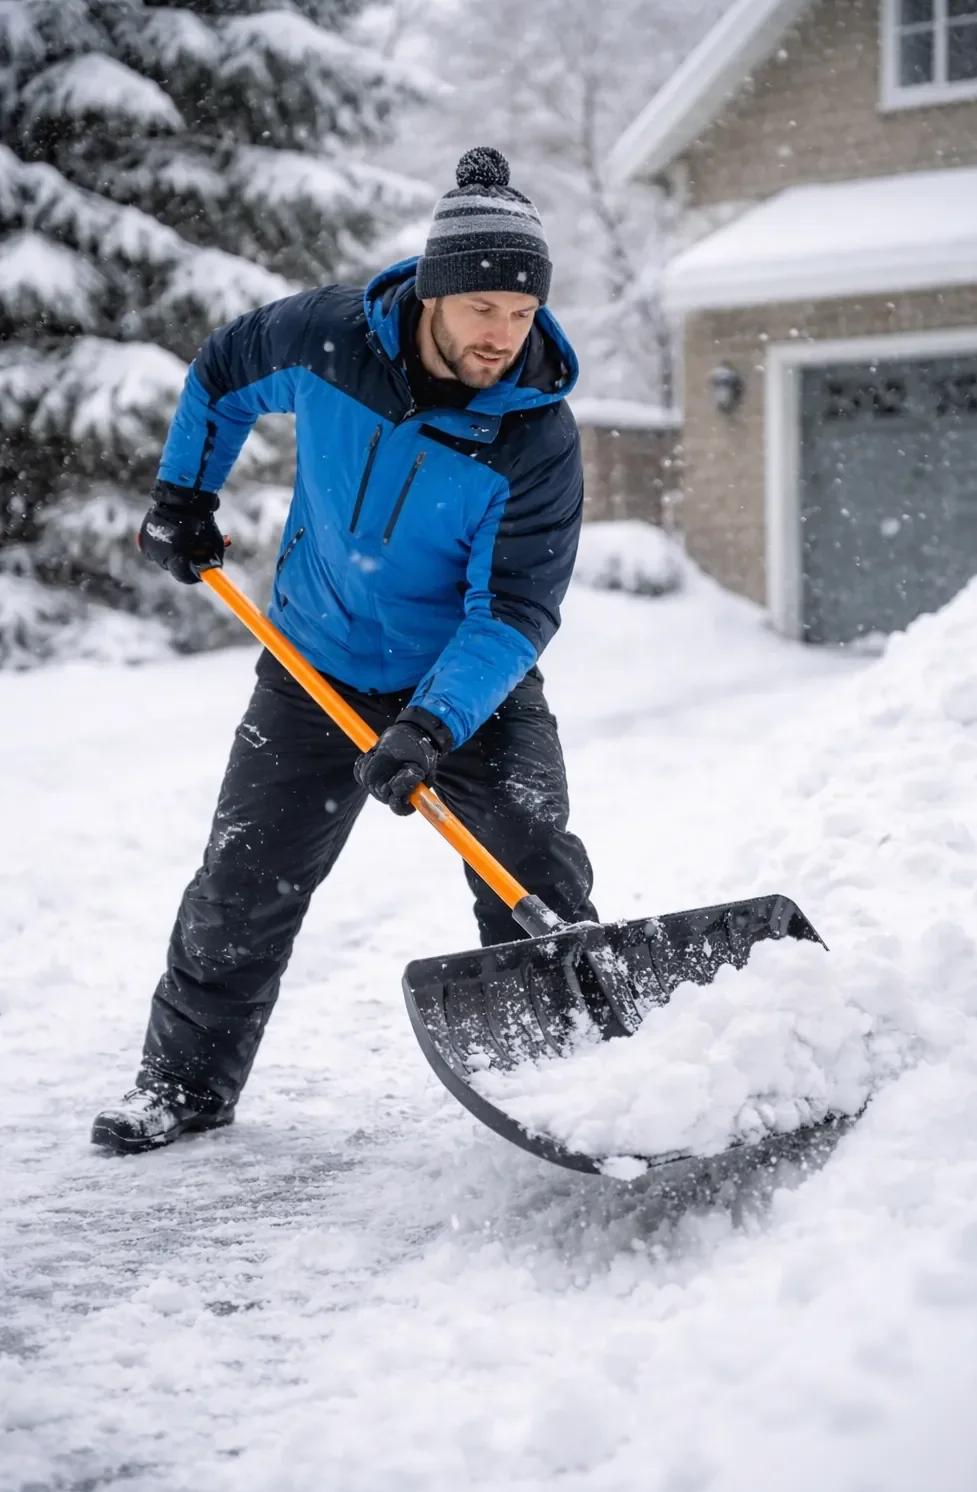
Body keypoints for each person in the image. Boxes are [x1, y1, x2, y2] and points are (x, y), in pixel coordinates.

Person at [92, 147, 598, 1153]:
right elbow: (224, 373)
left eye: (521, 312)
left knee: (532, 867)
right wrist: (183, 495)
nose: (503, 335)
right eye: (482, 308)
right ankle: (182, 1086)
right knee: (241, 885)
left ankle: (581, 1078)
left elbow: (513, 608)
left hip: (464, 687)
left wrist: (431, 724)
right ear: (433, 292)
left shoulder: (535, 437)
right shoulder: (328, 340)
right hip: (311, 663)